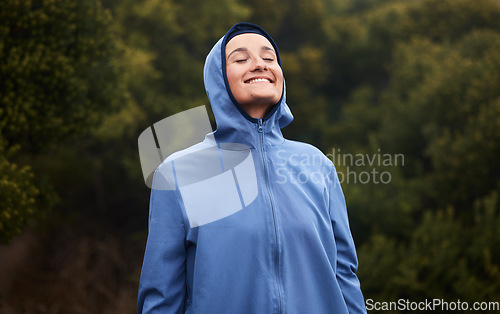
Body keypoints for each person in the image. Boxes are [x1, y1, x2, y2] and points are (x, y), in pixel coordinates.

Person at [137, 22, 366, 314]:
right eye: (241, 59)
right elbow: (161, 298)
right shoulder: (178, 173)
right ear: (218, 79)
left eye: (269, 58)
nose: (259, 65)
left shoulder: (317, 164)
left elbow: (344, 275)